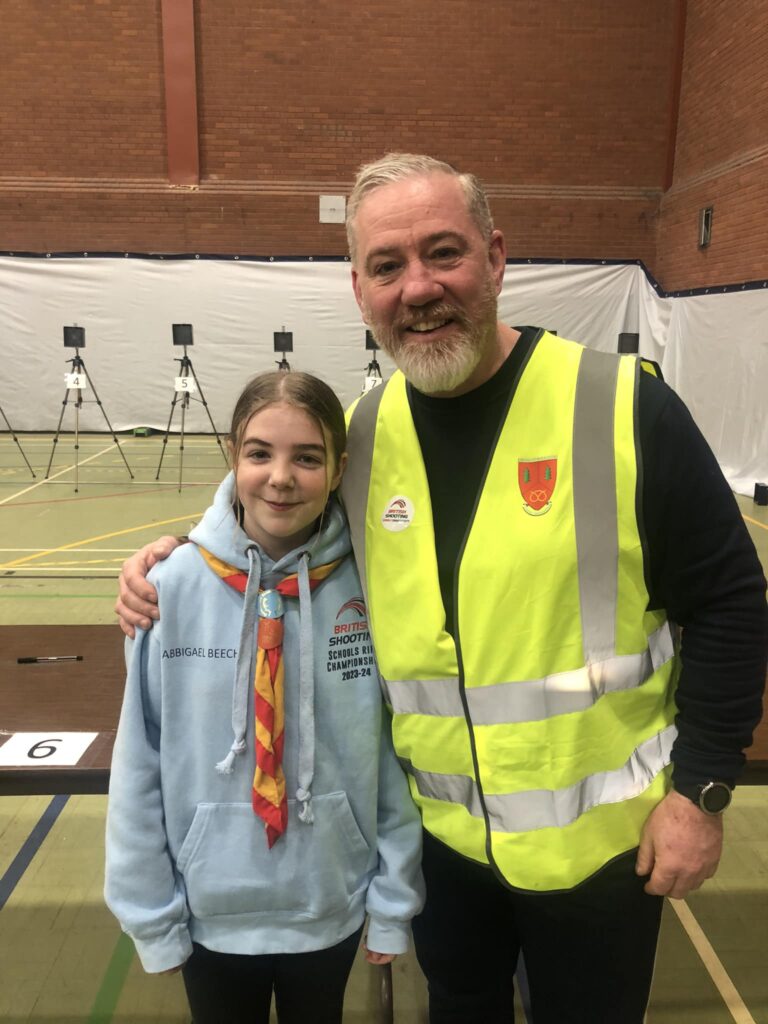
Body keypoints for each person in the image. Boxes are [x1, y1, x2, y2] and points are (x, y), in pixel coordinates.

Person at [115, 155, 768, 1024]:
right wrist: (174, 556)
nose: (418, 288)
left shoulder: (622, 407)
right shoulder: (366, 436)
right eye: (388, 266)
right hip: (444, 852)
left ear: (496, 258)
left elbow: (730, 600)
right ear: (359, 289)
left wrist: (702, 792)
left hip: (605, 852)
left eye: (444, 253)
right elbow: (271, 513)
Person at [105, 371, 424, 1024]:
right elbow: (139, 760)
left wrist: (393, 901)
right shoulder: (171, 589)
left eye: (307, 457)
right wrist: (150, 915)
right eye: (260, 452)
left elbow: (396, 754)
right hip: (210, 913)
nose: (280, 477)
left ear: (338, 469)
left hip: (328, 904)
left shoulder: (374, 588)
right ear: (233, 454)